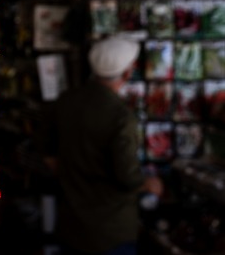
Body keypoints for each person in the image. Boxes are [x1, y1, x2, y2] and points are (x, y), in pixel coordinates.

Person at [41, 36, 163, 255]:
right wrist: (150, 184)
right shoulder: (120, 116)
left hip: (71, 224)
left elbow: (49, 156)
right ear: (127, 73)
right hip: (110, 231)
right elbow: (127, 177)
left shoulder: (66, 101)